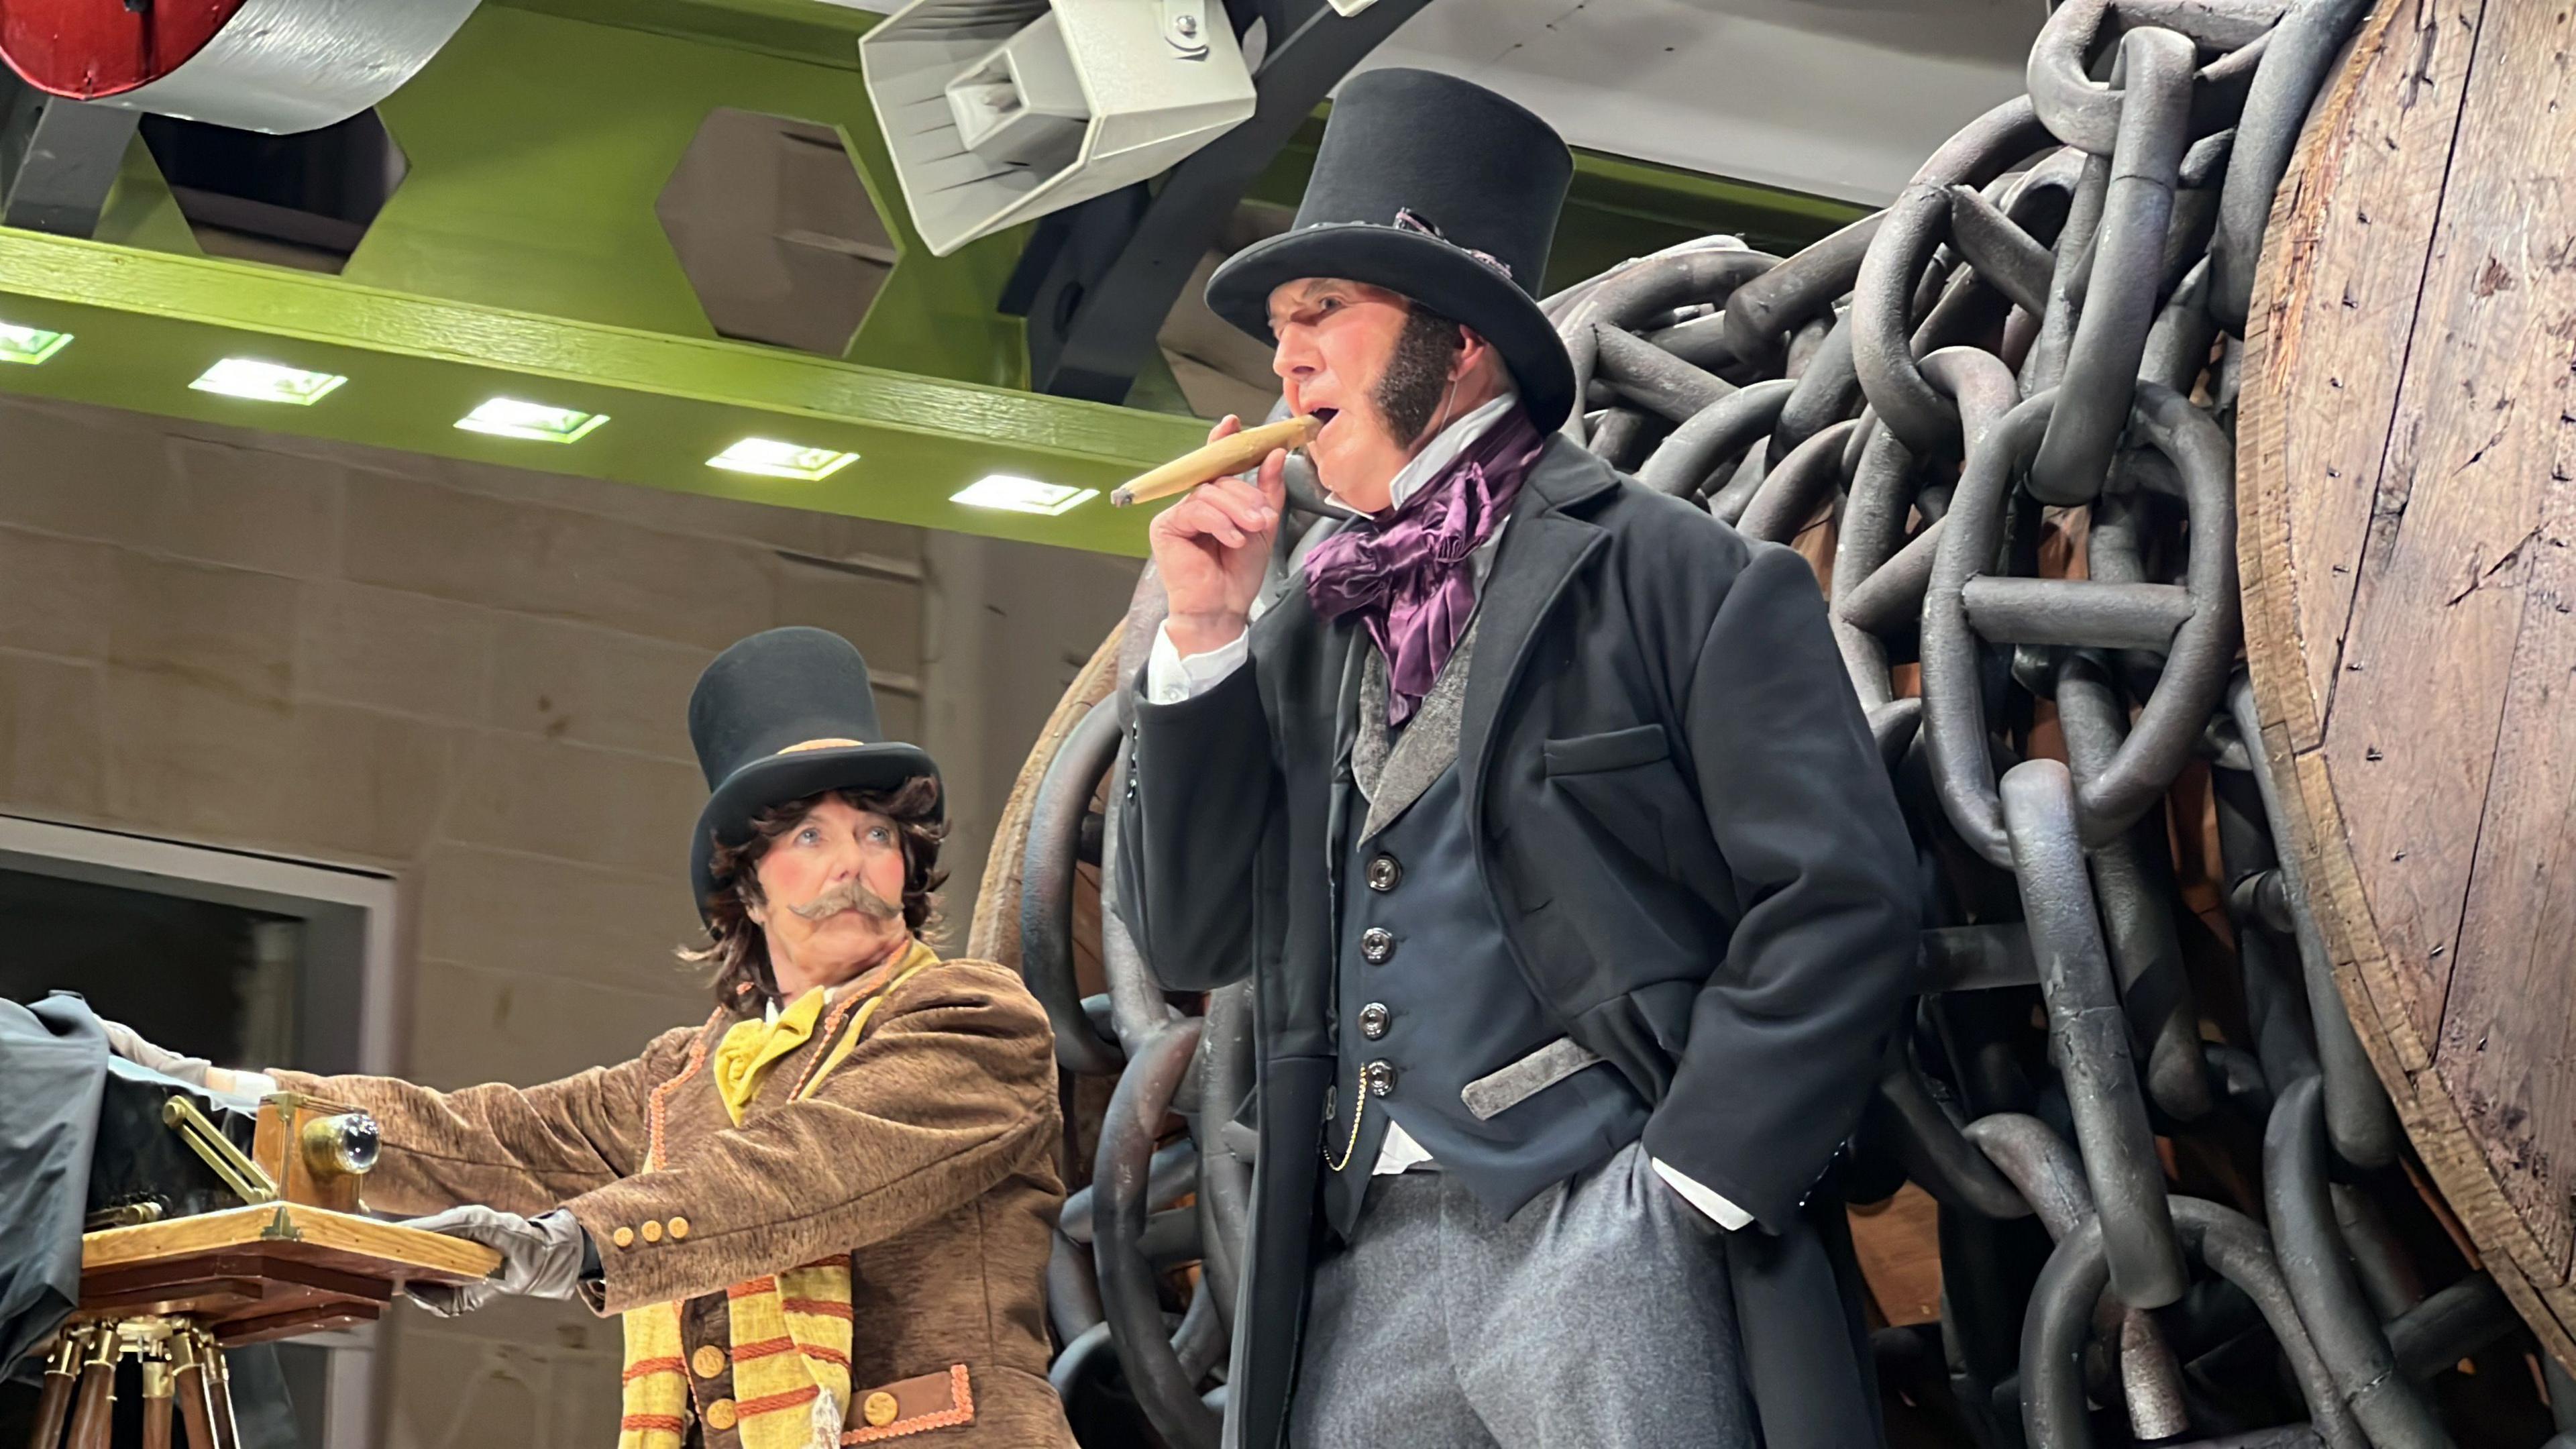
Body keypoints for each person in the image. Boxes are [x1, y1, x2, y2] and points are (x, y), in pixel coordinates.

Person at [1116, 69, 1921, 1449]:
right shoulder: (1310, 618)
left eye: (1323, 317)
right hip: (1365, 1254)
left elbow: (1843, 900)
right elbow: (1190, 926)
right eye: (1278, 328)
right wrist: (1203, 630)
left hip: (1606, 1219)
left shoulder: (1683, 579)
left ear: (1461, 339)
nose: (1285, 361)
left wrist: (1686, 1186)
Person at [104, 627, 1075, 1449]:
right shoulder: (683, 1076)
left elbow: (806, 1168)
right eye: (810, 838)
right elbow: (477, 1139)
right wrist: (197, 1090)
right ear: (746, 882)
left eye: (876, 833)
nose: (855, 865)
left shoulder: (972, 1019)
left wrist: (571, 1244)